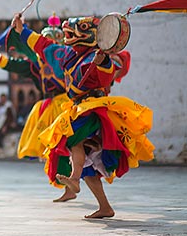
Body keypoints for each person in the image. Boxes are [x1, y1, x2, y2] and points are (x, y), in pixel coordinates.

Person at [11, 13, 155, 218]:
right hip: (77, 106)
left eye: (80, 27)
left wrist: (103, 62)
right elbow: (43, 45)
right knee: (88, 168)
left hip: (92, 108)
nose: (68, 30)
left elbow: (106, 77)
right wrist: (21, 30)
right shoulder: (67, 53)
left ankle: (74, 179)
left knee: (71, 139)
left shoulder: (98, 56)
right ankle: (104, 206)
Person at [0, 14, 75, 202]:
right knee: (56, 148)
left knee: (68, 146)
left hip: (66, 105)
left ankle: (72, 183)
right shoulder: (37, 64)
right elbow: (17, 66)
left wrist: (21, 31)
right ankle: (68, 186)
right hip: (49, 107)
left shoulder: (63, 58)